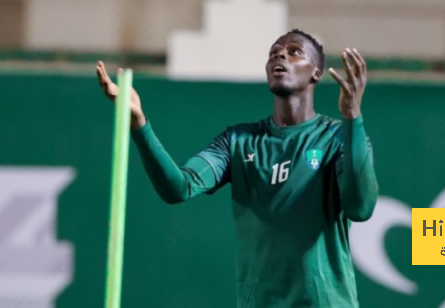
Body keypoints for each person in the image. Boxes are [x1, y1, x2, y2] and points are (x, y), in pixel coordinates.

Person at [96, 29, 378, 307]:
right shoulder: (238, 141)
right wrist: (139, 124)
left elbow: (360, 208)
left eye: (294, 51)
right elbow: (178, 188)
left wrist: (352, 117)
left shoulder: (339, 136)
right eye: (274, 52)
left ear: (316, 73)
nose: (280, 53)